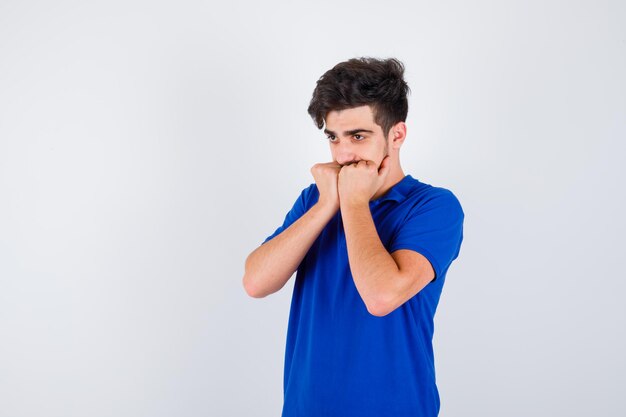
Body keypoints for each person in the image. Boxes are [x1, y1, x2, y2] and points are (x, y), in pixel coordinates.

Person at [243, 57, 464, 417]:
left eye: (358, 136)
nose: (343, 154)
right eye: (333, 137)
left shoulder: (433, 206)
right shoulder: (316, 200)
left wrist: (354, 201)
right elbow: (255, 282)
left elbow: (380, 297)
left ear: (397, 135)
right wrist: (328, 203)